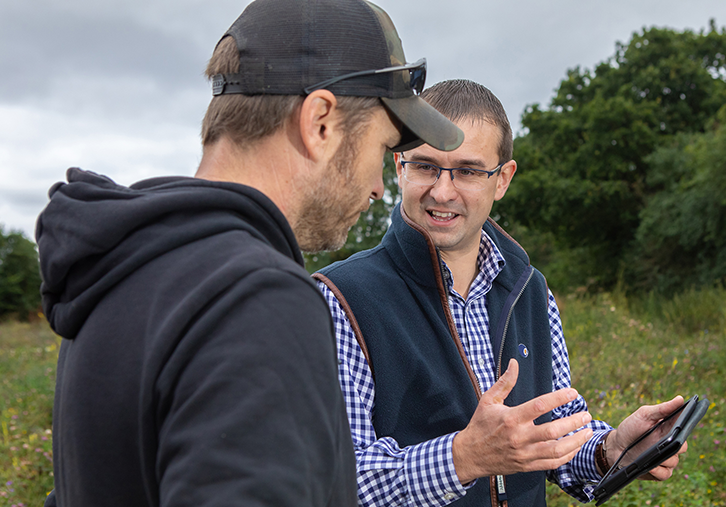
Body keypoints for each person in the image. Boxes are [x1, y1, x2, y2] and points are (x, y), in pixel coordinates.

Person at [35, 1, 463, 505]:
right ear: (320, 122)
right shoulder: (255, 299)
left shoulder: (121, 269)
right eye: (380, 148)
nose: (377, 188)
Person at [313, 79, 687, 506]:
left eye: (468, 171)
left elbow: (553, 434)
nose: (442, 191)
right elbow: (334, 479)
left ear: (502, 179)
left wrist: (614, 450)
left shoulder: (531, 290)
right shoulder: (340, 299)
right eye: (425, 166)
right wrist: (462, 459)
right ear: (400, 167)